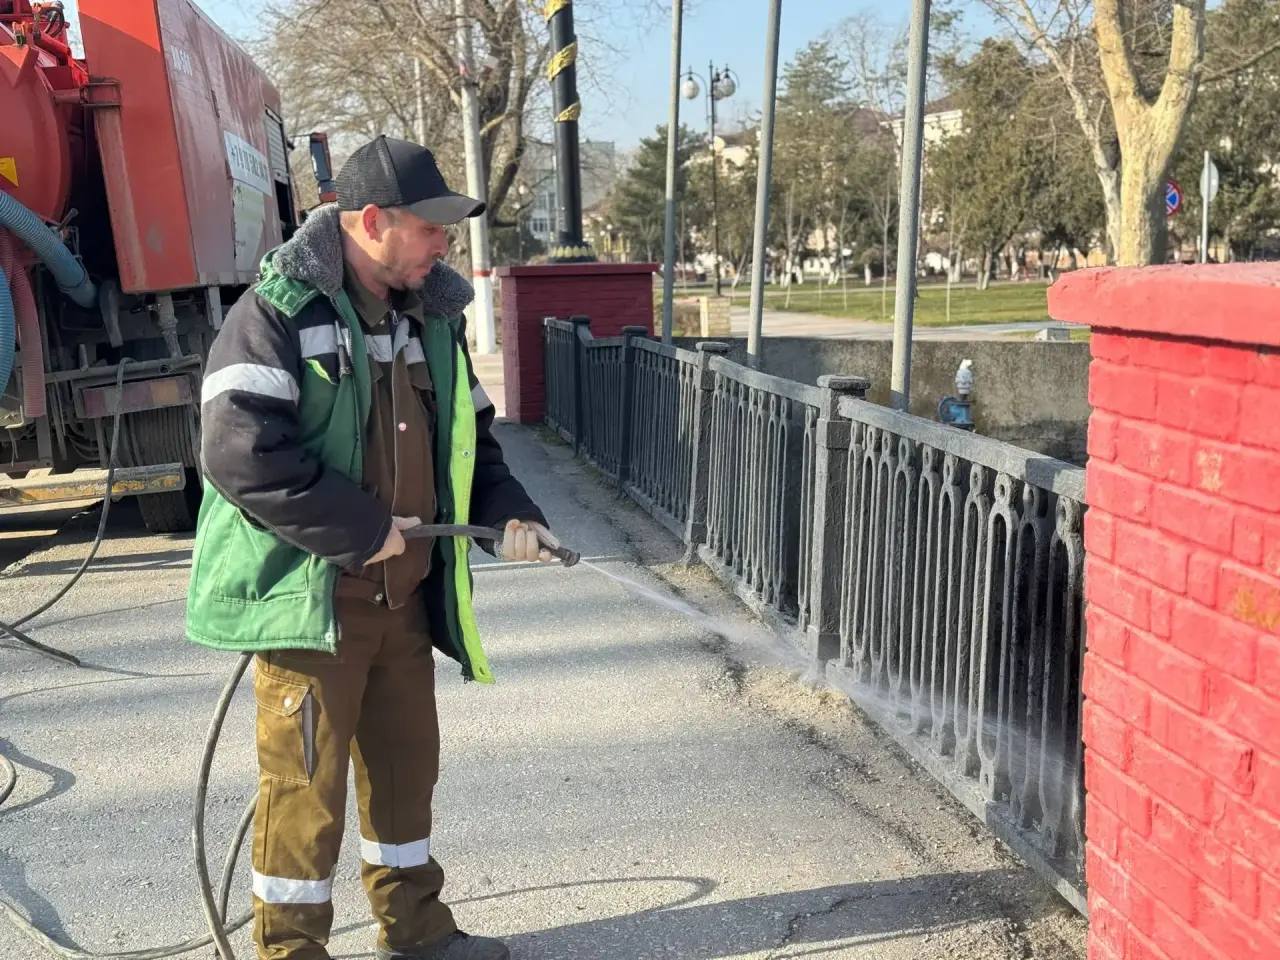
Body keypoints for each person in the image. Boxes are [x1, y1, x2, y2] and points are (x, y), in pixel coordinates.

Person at [186, 135, 551, 960]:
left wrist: (514, 516)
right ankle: (290, 953)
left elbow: (473, 443)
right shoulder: (276, 313)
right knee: (303, 798)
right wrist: (359, 528)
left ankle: (416, 930)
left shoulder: (431, 321)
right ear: (372, 220)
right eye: (431, 227)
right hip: (314, 610)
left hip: (403, 606)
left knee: (404, 778)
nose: (445, 244)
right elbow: (238, 451)